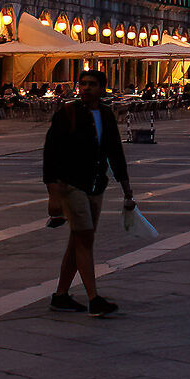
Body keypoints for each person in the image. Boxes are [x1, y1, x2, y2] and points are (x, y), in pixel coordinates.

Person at [41, 70, 134, 317]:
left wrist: (127, 189)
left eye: (91, 84)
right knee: (85, 239)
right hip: (71, 185)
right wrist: (53, 192)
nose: (85, 88)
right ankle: (94, 298)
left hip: (96, 185)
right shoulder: (67, 114)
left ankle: (60, 296)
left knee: (77, 240)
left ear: (103, 88)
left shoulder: (106, 115)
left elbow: (115, 152)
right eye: (82, 84)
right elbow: (50, 153)